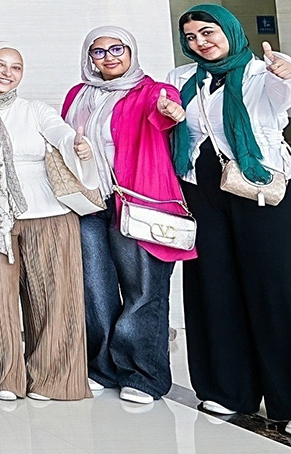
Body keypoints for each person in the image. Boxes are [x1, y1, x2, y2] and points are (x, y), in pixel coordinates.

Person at [170, 5, 291, 440]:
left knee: (279, 290)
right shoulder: (184, 78)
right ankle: (228, 388)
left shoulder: (262, 72)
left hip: (261, 187)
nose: (200, 42)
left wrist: (286, 71)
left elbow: (288, 88)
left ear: (229, 30)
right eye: (191, 37)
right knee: (215, 287)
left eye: (208, 32)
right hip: (204, 190)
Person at [62, 27, 189, 406]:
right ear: (89, 58)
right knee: (94, 288)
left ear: (131, 51)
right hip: (89, 203)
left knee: (144, 290)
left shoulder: (152, 91)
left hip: (140, 203)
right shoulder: (78, 94)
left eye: (117, 49)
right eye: (99, 51)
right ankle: (102, 368)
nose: (109, 57)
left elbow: (166, 113)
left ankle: (144, 375)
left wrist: (171, 111)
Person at [0, 43, 96, 403]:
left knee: (56, 299)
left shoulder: (35, 109)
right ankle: (5, 377)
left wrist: (77, 144)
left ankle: (53, 379)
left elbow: (61, 133)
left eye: (16, 67)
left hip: (49, 214)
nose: (7, 73)